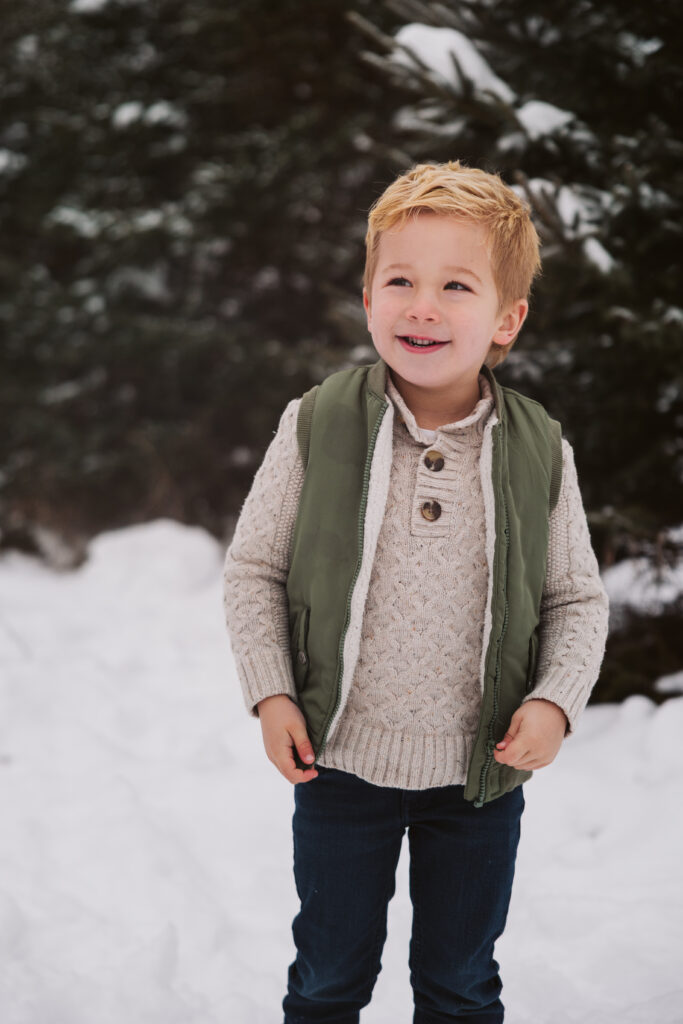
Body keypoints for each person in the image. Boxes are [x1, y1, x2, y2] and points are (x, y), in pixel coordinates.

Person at [223, 160, 610, 1024]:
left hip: (480, 778)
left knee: (460, 983)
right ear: (367, 298)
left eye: (454, 286)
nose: (421, 305)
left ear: (506, 318)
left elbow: (575, 599)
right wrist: (271, 691)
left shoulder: (537, 447)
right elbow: (254, 569)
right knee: (326, 977)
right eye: (398, 280)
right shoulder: (317, 422)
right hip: (339, 765)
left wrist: (553, 702)